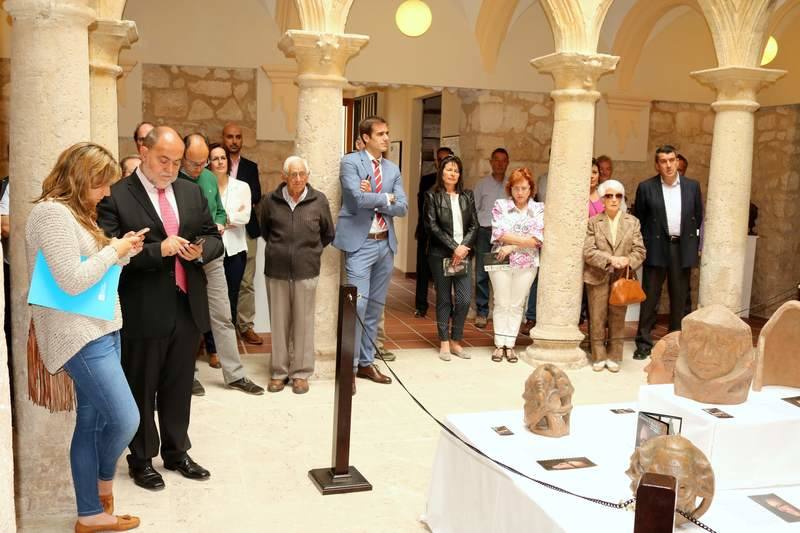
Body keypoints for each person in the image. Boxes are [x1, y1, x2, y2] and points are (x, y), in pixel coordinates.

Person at [97, 126, 223, 491]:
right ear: (143, 151)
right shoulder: (117, 196)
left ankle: (177, 452)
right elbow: (108, 254)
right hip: (142, 308)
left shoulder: (190, 191)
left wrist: (201, 251)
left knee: (179, 385)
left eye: (176, 162)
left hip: (186, 303)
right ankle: (141, 459)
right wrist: (158, 251)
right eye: (163, 160)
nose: (170, 169)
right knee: (141, 385)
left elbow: (212, 236)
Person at [27, 142, 144, 532]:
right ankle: (103, 486)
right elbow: (72, 280)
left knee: (91, 423)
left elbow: (93, 271)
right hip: (78, 334)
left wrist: (122, 251)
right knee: (125, 419)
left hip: (100, 327)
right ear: (79, 178)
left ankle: (90, 513)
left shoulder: (75, 213)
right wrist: (113, 251)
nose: (107, 193)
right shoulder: (51, 214)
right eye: (101, 184)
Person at [179, 134, 263, 396]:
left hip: (212, 254)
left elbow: (218, 211)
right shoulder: (173, 181)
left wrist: (218, 223)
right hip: (183, 258)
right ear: (182, 158)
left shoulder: (208, 178)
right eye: (194, 163)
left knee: (223, 315)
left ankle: (235, 375)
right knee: (188, 319)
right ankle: (188, 375)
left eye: (203, 162)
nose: (200, 169)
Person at [333, 116, 408, 395]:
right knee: (358, 306)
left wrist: (375, 197)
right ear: (365, 138)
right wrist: (386, 197)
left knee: (375, 308)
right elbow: (355, 199)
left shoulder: (392, 168)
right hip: (360, 245)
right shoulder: (350, 162)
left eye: (387, 133)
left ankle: (366, 363)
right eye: (380, 134)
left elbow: (403, 207)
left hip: (385, 244)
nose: (386, 138)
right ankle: (349, 369)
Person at [259, 156, 334, 394]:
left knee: (304, 323)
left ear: (307, 176)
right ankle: (278, 372)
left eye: (302, 174)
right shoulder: (270, 201)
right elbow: (264, 230)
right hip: (276, 271)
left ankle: (301, 373)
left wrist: (311, 253)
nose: (298, 179)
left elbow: (328, 233)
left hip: (306, 271)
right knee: (279, 323)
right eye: (293, 174)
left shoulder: (319, 200)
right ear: (284, 176)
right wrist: (280, 250)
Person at [633, 145, 703, 360]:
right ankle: (643, 344)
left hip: (681, 247)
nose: (668, 165)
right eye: (663, 161)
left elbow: (697, 216)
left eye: (672, 160)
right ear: (657, 165)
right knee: (650, 298)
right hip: (656, 247)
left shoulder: (692, 187)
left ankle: (675, 344)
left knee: (679, 299)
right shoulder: (646, 187)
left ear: (677, 162)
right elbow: (640, 219)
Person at [583, 179, 646, 372]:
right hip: (597, 274)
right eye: (609, 195)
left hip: (622, 276)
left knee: (618, 317)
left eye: (618, 196)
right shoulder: (593, 222)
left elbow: (640, 251)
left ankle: (615, 355)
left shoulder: (632, 222)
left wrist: (627, 260)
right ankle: (599, 355)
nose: (613, 199)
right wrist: (610, 259)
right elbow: (588, 251)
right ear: (602, 199)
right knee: (597, 316)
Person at [423, 155, 477, 361]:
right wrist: (455, 247)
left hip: (463, 254)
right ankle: (444, 341)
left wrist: (462, 249)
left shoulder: (467, 196)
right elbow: (432, 226)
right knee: (444, 298)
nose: (452, 174)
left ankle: (456, 340)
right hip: (440, 254)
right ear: (441, 172)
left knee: (464, 299)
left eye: (456, 170)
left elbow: (474, 225)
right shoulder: (432, 196)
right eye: (449, 169)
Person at [487, 168, 544, 363]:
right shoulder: (500, 205)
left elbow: (537, 239)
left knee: (517, 303)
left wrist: (512, 245)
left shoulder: (538, 209)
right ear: (510, 189)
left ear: (531, 189)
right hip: (501, 260)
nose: (520, 192)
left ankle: (510, 344)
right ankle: (499, 344)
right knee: (501, 302)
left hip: (527, 263)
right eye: (516, 188)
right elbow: (498, 233)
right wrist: (521, 241)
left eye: (524, 188)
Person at [222, 123, 263, 346]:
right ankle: (220, 327)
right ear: (223, 138)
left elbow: (255, 195)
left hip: (246, 230)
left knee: (246, 281)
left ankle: (245, 326)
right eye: (230, 137)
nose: (234, 141)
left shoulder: (250, 166)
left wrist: (240, 205)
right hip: (220, 231)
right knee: (220, 281)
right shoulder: (215, 165)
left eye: (238, 137)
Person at [208, 143, 250, 332]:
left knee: (231, 296)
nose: (220, 162)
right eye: (215, 158)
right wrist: (230, 217)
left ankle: (229, 338)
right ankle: (210, 341)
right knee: (210, 298)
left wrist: (219, 220)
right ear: (209, 163)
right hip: (210, 251)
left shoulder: (242, 187)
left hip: (235, 251)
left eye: (223, 158)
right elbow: (203, 219)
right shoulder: (203, 187)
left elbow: (245, 217)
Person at [414, 146, 454, 318]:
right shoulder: (426, 180)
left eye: (447, 159)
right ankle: (420, 306)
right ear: (437, 162)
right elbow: (421, 207)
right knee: (423, 270)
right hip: (427, 233)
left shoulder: (455, 183)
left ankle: (447, 307)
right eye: (440, 159)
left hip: (449, 235)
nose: (443, 162)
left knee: (448, 271)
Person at [473, 148, 510, 328]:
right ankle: (482, 312)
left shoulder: (511, 185)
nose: (500, 164)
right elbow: (474, 209)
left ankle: (501, 311)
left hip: (504, 236)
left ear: (507, 163)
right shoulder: (482, 185)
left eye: (503, 160)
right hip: (484, 232)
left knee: (502, 273)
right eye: (496, 160)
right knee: (481, 273)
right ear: (491, 162)